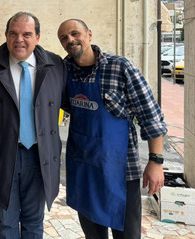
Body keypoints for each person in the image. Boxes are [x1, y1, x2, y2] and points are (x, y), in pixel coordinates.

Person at [57, 19, 167, 239]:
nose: (70, 40)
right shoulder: (64, 71)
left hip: (122, 172)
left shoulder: (119, 67)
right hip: (84, 170)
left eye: (75, 33)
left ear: (89, 34)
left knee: (127, 235)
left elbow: (151, 116)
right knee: (93, 235)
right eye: (64, 38)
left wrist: (156, 162)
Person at [0, 12, 67, 239]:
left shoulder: (55, 65)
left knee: (34, 221)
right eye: (13, 33)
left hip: (39, 156)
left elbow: (71, 101)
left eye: (26, 34)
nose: (19, 39)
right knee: (5, 222)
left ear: (38, 37)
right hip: (1, 156)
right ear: (6, 35)